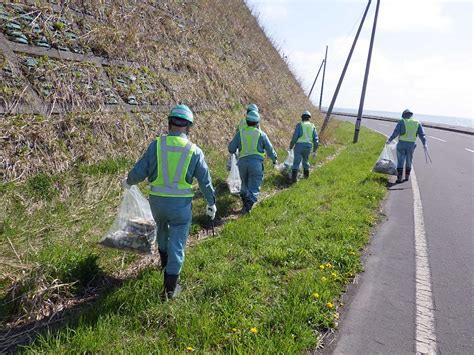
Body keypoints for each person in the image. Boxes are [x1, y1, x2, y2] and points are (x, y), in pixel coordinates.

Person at [123, 104, 217, 299]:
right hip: (180, 207)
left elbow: (140, 171)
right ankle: (170, 290)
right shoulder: (194, 151)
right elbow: (205, 181)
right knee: (177, 245)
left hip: (157, 204)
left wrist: (128, 181)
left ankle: (163, 265)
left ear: (169, 123)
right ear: (189, 127)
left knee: (162, 233)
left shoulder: (156, 145)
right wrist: (211, 202)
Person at [228, 110, 277, 214]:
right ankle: (247, 207)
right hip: (256, 165)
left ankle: (245, 206)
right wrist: (274, 159)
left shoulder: (240, 134)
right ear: (258, 123)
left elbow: (231, 148)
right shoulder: (262, 135)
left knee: (244, 186)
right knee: (254, 187)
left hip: (242, 164)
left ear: (247, 121)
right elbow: (270, 149)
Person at [386, 109, 427, 183]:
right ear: (411, 115)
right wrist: (425, 144)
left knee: (400, 161)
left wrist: (389, 140)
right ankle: (407, 177)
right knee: (409, 160)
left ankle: (399, 178)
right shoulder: (417, 123)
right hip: (411, 145)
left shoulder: (402, 121)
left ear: (403, 115)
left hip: (402, 144)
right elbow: (422, 135)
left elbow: (396, 132)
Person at [289, 110, 319, 183]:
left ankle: (294, 181)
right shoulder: (312, 126)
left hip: (299, 146)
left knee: (296, 162)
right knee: (305, 161)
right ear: (309, 118)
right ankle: (306, 178)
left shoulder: (299, 125)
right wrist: (314, 151)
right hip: (308, 147)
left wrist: (291, 146)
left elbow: (294, 138)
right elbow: (316, 140)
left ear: (302, 118)